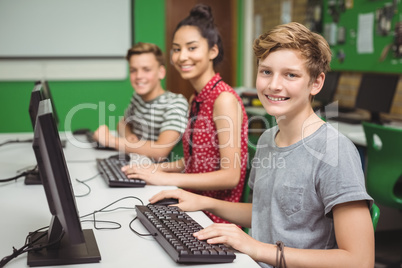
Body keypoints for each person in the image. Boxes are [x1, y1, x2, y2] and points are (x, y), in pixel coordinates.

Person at [148, 22, 375, 267]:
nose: (273, 85)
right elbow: (266, 212)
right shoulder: (268, 138)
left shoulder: (335, 151)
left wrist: (256, 248)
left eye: (291, 75)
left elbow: (359, 261)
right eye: (266, 72)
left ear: (316, 83)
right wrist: (204, 203)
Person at [122, 4, 249, 224]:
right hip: (190, 204)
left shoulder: (224, 99)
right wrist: (155, 168)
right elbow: (196, 162)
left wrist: (165, 177)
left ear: (213, 51)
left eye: (192, 48)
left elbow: (231, 176)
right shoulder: (197, 98)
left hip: (213, 218)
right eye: (177, 49)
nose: (182, 57)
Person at [93, 42, 188, 162]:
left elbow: (160, 151)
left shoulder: (176, 103)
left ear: (161, 72)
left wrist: (110, 140)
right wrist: (129, 137)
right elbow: (122, 123)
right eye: (133, 70)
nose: (138, 76)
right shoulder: (138, 97)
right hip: (135, 162)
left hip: (157, 173)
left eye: (146, 69)